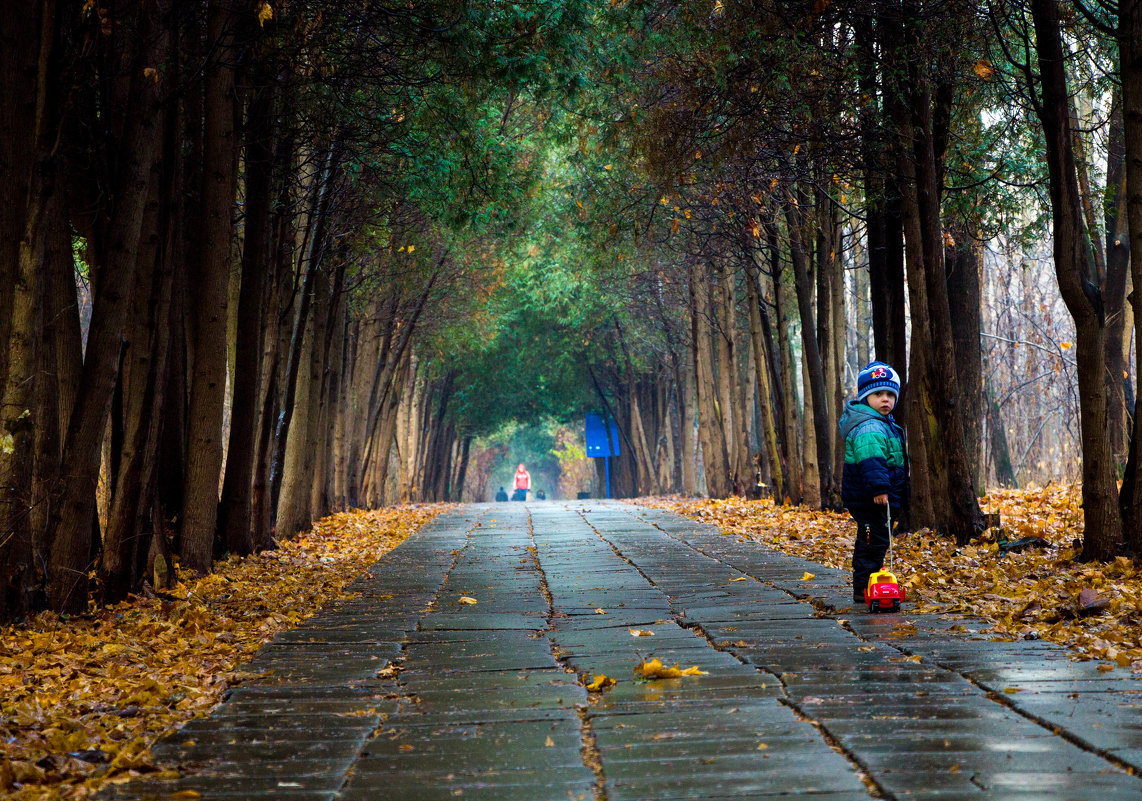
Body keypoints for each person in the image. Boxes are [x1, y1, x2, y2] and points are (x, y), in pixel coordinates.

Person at [839, 361, 908, 605]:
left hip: (877, 498)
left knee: (875, 541)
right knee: (871, 543)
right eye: (878, 394)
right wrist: (879, 489)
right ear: (867, 397)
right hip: (871, 498)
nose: (885, 400)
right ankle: (863, 589)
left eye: (890, 394)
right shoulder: (870, 425)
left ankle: (870, 584)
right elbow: (871, 460)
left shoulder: (882, 423)